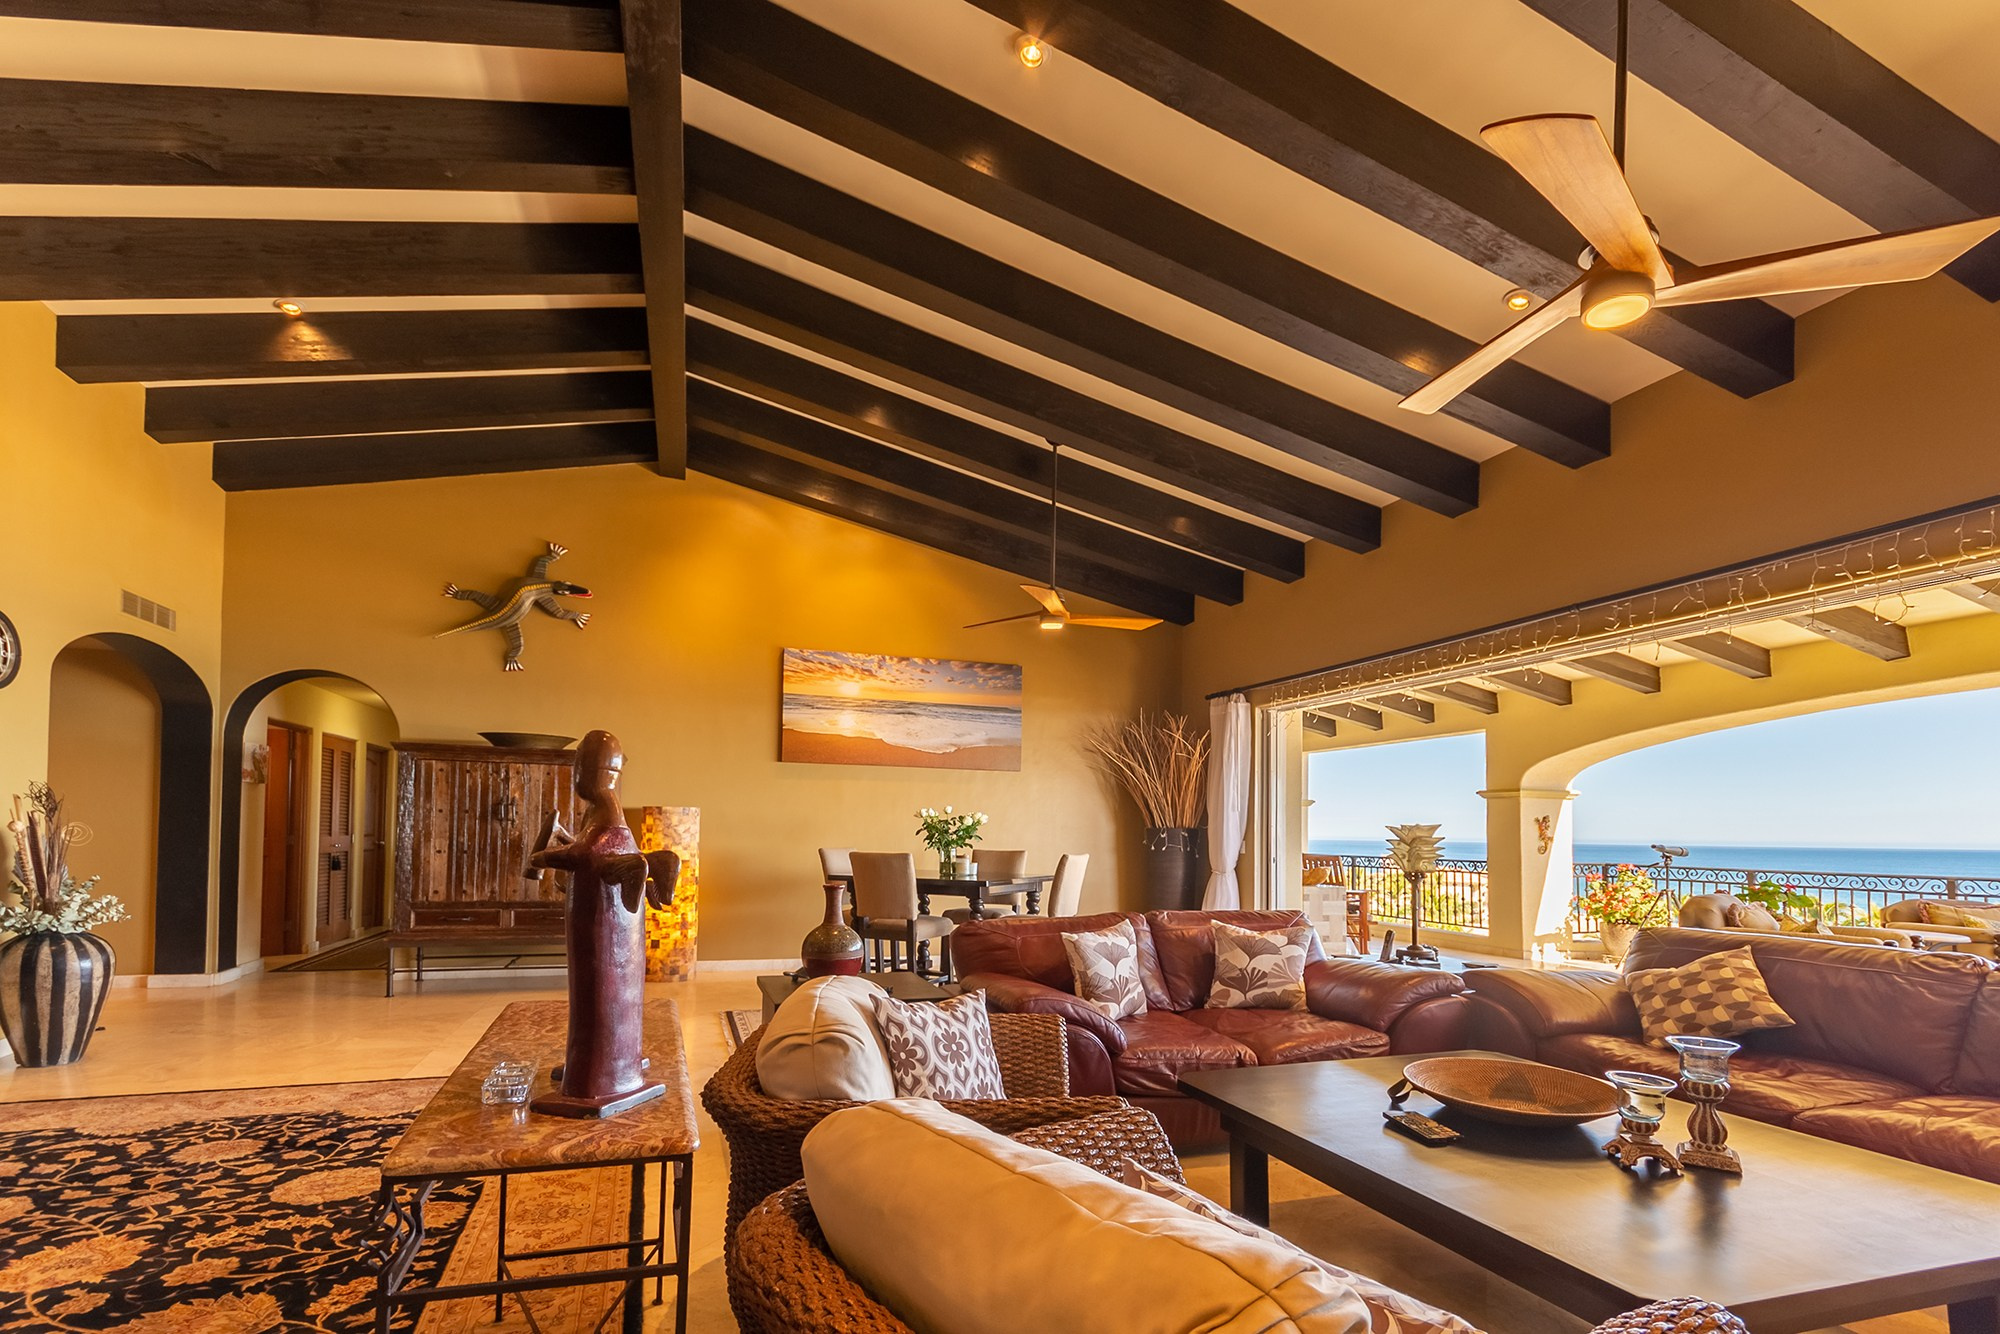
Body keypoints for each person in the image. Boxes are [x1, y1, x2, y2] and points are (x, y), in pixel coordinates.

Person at [526, 729, 679, 1117]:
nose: (578, 775)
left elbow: (591, 854)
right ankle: (604, 1065)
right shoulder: (599, 811)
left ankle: (602, 1076)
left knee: (599, 993)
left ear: (595, 772)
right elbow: (589, 848)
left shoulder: (609, 811)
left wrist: (544, 857)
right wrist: (562, 843)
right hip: (595, 920)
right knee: (591, 993)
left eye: (582, 766)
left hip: (605, 929)